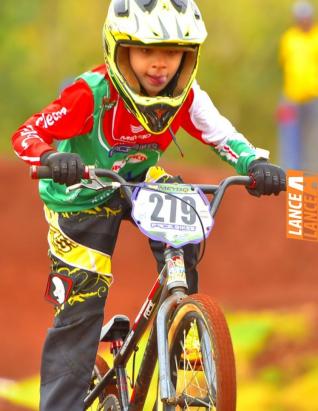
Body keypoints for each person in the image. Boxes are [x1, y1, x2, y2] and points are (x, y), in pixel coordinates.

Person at [12, 0, 285, 409]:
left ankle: (183, 336)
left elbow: (224, 136)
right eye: (146, 51)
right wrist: (52, 158)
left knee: (188, 219)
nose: (159, 65)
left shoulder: (185, 95)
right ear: (119, 49)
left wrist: (257, 163)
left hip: (136, 180)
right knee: (82, 301)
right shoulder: (92, 93)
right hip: (81, 192)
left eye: (171, 53)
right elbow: (28, 132)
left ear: (188, 56)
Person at [278, 0, 318, 171]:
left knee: (312, 140)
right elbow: (284, 65)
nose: (303, 20)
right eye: (299, 17)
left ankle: (311, 177)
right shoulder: (289, 38)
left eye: (305, 17)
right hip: (291, 97)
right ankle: (290, 177)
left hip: (314, 98)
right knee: (290, 139)